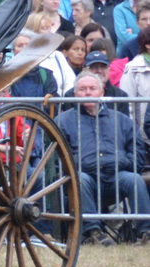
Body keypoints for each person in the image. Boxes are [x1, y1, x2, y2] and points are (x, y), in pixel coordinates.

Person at [58, 73, 150, 245]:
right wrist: (88, 164)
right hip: (86, 178)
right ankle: (94, 232)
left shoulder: (122, 120)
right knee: (80, 178)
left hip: (117, 176)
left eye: (92, 89)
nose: (87, 93)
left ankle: (145, 233)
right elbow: (58, 159)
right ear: (74, 94)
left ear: (102, 92)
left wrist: (119, 162)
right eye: (82, 89)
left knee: (135, 179)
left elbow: (137, 155)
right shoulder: (62, 121)